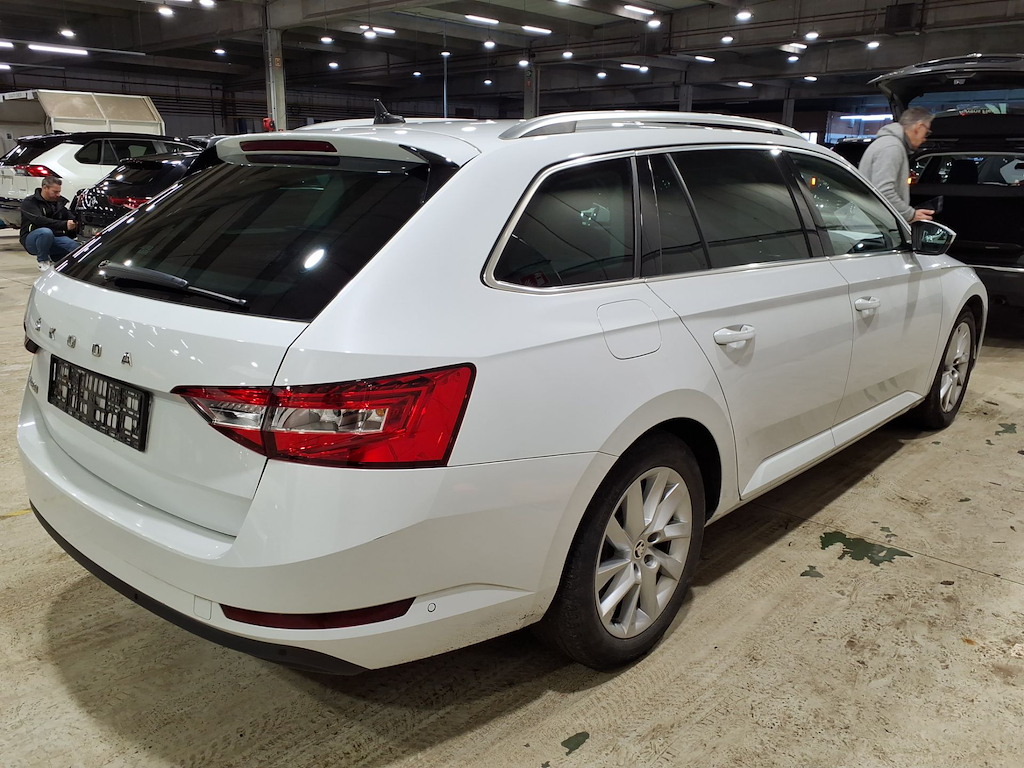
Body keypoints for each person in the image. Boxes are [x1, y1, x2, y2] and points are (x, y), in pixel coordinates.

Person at [858, 107, 934, 224]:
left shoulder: (888, 143)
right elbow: (884, 192)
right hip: (875, 225)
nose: (924, 139)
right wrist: (910, 214)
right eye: (927, 132)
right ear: (919, 127)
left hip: (871, 221)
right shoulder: (892, 147)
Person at [20, 176, 78, 271]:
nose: (58, 195)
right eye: (55, 192)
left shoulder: (58, 203)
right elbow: (39, 220)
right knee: (45, 232)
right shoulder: (30, 202)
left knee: (73, 245)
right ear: (45, 188)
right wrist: (64, 225)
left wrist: (74, 222)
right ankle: (42, 261)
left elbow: (69, 216)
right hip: (32, 239)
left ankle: (64, 263)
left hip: (54, 237)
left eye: (59, 192)